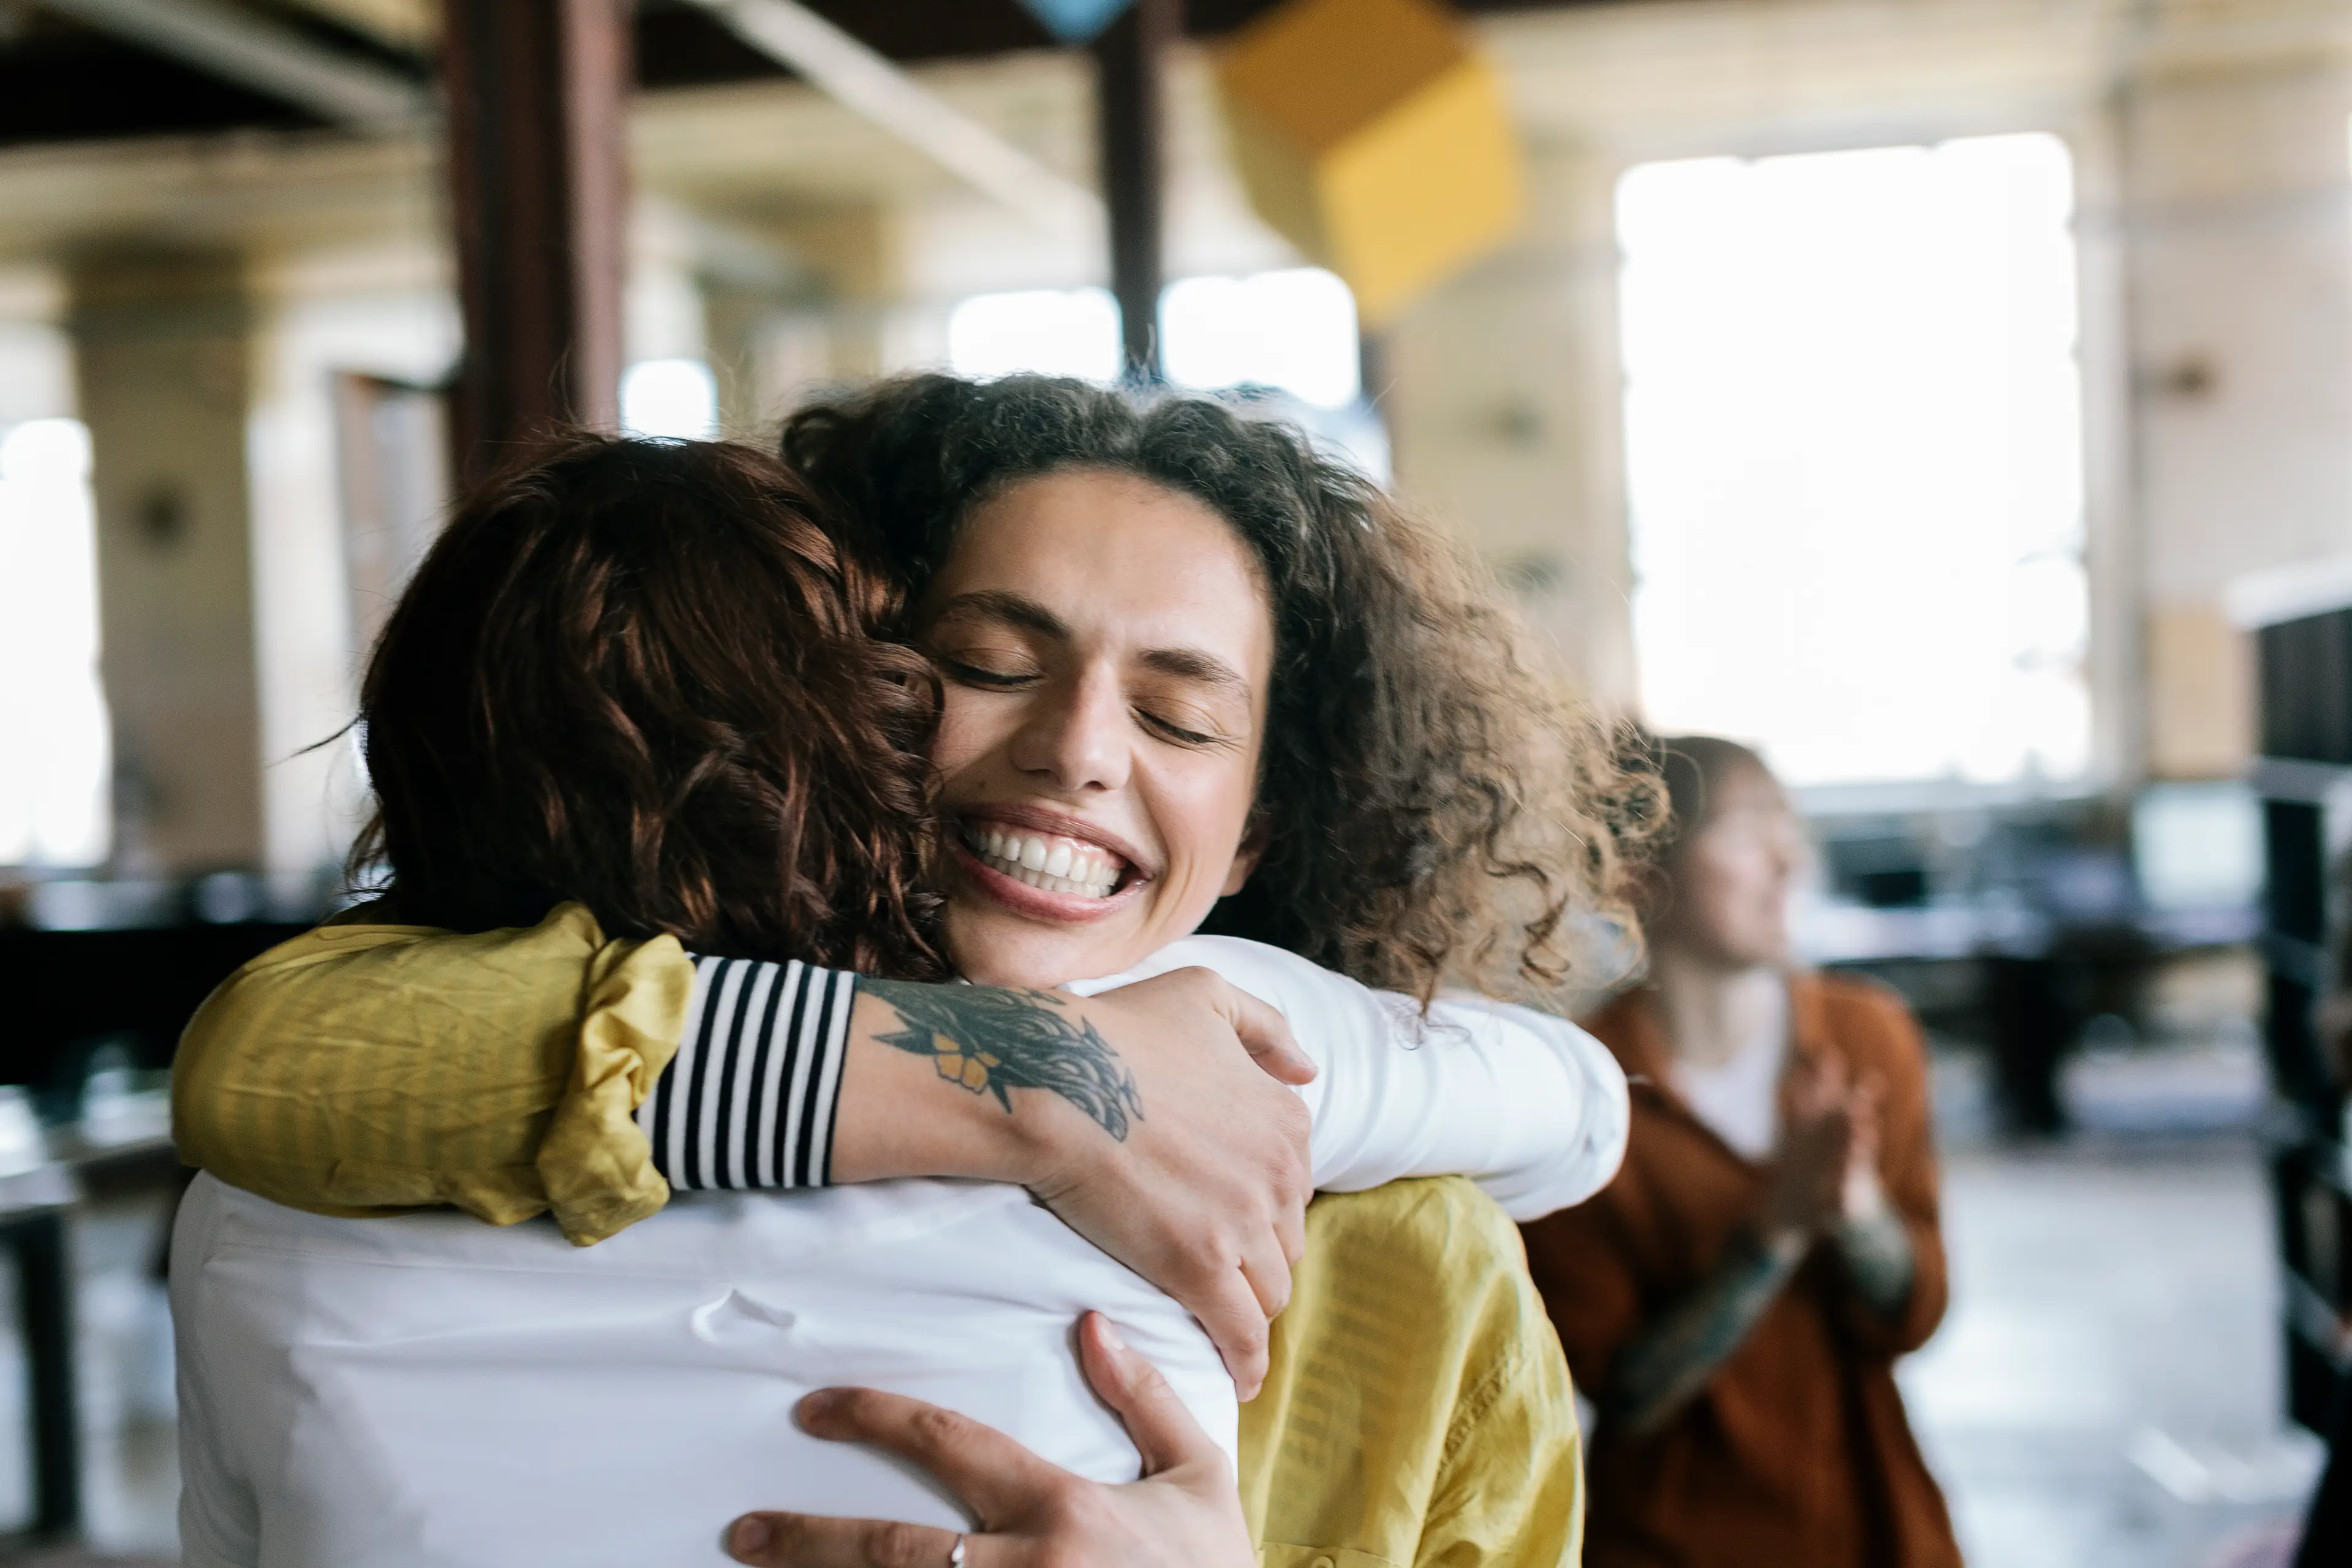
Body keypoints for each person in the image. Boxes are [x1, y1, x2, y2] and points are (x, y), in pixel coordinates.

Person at [173, 385, 1637, 1564]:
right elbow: (269, 1055)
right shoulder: (478, 1081)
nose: (1078, 747)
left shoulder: (1408, 1257)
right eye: (989, 660)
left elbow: (1568, 1102)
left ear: (1260, 830)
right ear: (847, 692)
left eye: (1181, 714)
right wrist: (1047, 1094)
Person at [1519, 734, 1961, 1568]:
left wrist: (1857, 1212)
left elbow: (1916, 1317)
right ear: (1639, 876)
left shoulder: (1870, 1039)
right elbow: (1625, 1391)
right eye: (1746, 828)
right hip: (1672, 1544)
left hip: (1878, 1531)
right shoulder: (1574, 1093)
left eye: (1786, 825)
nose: (1788, 860)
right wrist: (1777, 1231)